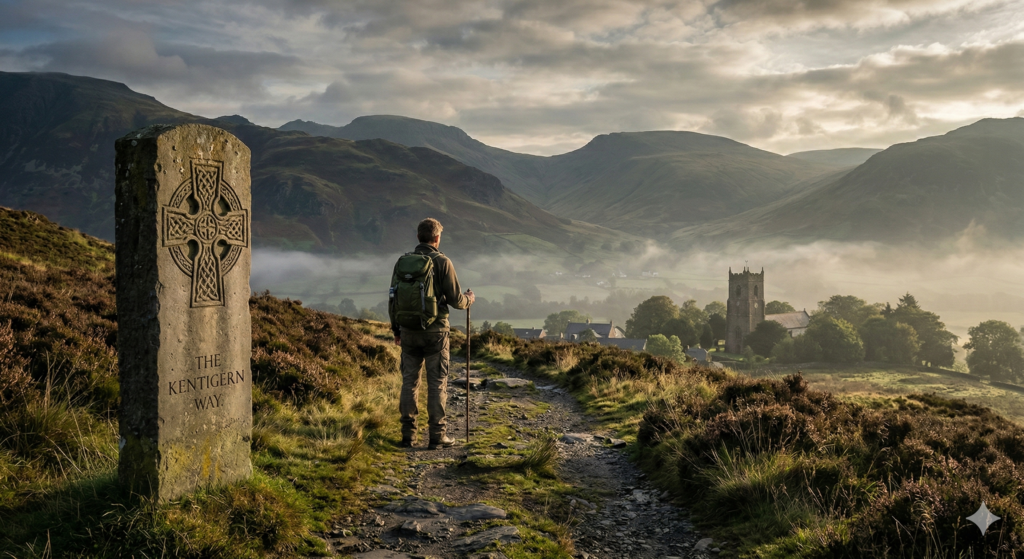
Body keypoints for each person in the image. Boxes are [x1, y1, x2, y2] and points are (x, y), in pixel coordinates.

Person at [389, 218, 474, 449]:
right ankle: (437, 436)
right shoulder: (443, 262)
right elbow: (457, 300)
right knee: (437, 383)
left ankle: (408, 436)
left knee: (410, 382)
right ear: (437, 238)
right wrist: (470, 299)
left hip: (408, 330)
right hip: (436, 332)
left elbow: (393, 299)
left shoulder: (402, 263)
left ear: (418, 238)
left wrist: (396, 329)